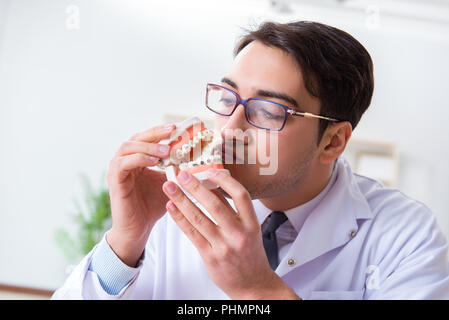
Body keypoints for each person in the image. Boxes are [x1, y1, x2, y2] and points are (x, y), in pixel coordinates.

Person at [52, 21, 449, 300]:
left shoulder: (405, 236)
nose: (229, 128)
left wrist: (257, 289)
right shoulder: (170, 212)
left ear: (332, 142)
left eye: (269, 111)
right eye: (228, 99)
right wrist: (125, 242)